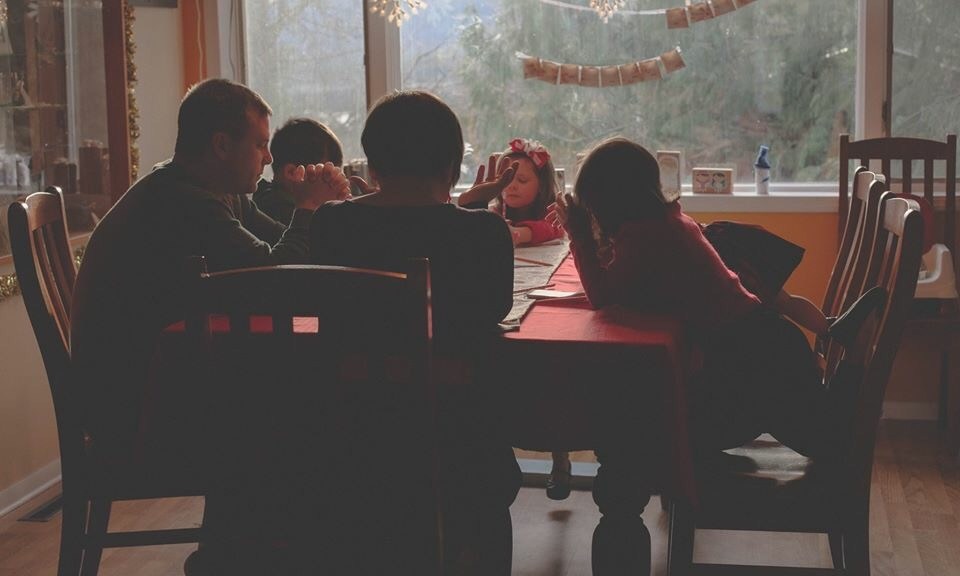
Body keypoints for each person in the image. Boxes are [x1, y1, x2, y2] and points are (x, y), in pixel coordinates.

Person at [70, 78, 350, 576]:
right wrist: (309, 207)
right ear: (222, 145)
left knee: (294, 405)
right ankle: (259, 556)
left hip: (165, 384)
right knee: (309, 419)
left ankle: (242, 553)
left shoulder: (208, 189)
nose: (268, 158)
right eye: (260, 144)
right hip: (133, 414)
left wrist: (326, 209)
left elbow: (283, 251)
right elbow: (279, 277)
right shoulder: (184, 203)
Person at [549, 137, 884, 463]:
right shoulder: (664, 222)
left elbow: (603, 296)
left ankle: (855, 353)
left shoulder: (646, 237)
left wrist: (578, 235)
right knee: (679, 430)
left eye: (593, 206)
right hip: (756, 344)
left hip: (756, 359)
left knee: (829, 442)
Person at [309, 90, 522, 576]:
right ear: (451, 166)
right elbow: (495, 309)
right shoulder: (483, 234)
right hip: (455, 437)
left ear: (373, 164)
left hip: (350, 429)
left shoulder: (332, 223)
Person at [458, 137, 565, 247]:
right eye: (506, 179)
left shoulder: (552, 213)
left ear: (542, 185)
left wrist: (516, 233)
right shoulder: (494, 212)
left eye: (522, 180)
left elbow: (554, 229)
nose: (511, 186)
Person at [253, 117, 345, 225]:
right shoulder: (281, 211)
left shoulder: (269, 197)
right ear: (291, 172)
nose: (334, 189)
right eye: (327, 180)